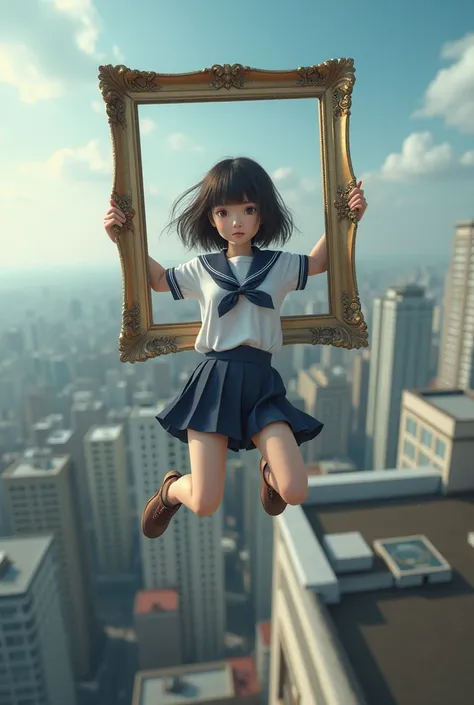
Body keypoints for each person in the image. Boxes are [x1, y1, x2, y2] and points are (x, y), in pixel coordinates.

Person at [104, 157, 367, 539]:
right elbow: (159, 280)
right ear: (212, 218)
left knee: (294, 489)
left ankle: (268, 472)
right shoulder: (201, 268)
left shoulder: (278, 264)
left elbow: (320, 262)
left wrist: (349, 215)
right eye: (224, 211)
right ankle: (171, 489)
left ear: (263, 215)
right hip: (215, 382)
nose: (237, 221)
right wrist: (122, 240)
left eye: (248, 209)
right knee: (206, 501)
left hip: (261, 383)